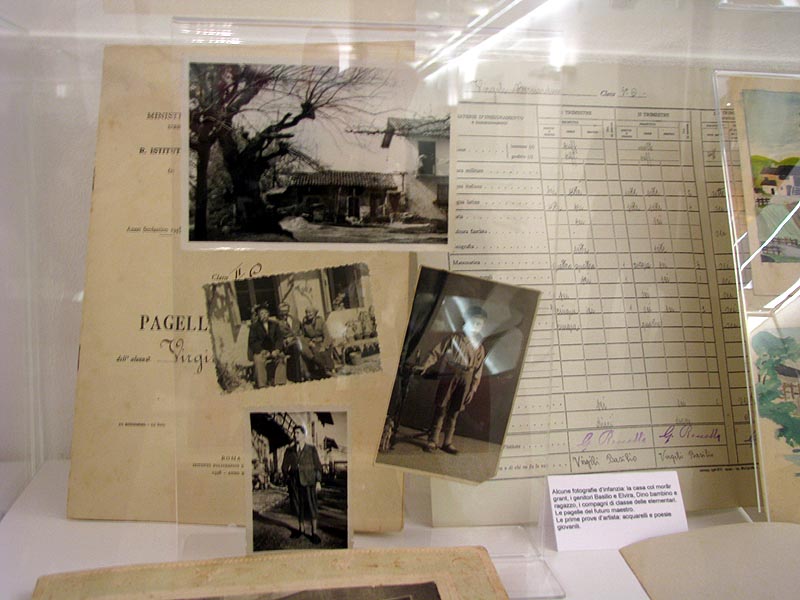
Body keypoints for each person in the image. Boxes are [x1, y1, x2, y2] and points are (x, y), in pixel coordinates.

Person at [416, 305, 487, 455]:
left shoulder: (479, 348)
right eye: (473, 322)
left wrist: (473, 389)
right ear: (465, 321)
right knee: (441, 408)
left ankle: (447, 442)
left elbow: (478, 371)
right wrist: (424, 365)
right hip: (450, 374)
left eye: (479, 324)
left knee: (454, 411)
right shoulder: (454, 338)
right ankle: (433, 440)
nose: (475, 326)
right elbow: (436, 352)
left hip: (466, 378)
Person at [280, 425, 323, 544]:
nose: (295, 435)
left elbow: (318, 466)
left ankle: (314, 533)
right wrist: (288, 478)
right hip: (295, 484)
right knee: (298, 507)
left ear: (304, 435)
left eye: (298, 433)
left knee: (312, 507)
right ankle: (301, 529)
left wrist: (318, 481)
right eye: (294, 433)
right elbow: (284, 467)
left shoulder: (311, 449)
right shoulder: (289, 450)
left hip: (309, 482)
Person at [273, 302, 311, 383]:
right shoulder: (277, 323)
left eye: (286, 311)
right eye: (282, 312)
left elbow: (302, 331)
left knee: (300, 348)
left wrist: (300, 337)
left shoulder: (295, 320)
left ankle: (306, 373)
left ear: (288, 310)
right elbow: (277, 338)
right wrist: (285, 340)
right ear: (279, 312)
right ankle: (300, 376)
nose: (284, 313)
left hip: (299, 341)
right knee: (296, 347)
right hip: (287, 345)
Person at [247, 304, 280, 388]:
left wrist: (277, 350)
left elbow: (279, 339)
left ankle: (279, 382)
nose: (264, 315)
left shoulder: (274, 324)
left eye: (265, 313)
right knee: (258, 360)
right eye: (261, 313)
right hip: (261, 351)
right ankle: (262, 385)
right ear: (258, 315)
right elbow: (252, 342)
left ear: (269, 314)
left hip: (273, 350)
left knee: (282, 357)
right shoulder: (254, 327)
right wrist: (262, 351)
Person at [301, 307, 335, 378]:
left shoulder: (320, 321)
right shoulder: (305, 324)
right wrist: (309, 342)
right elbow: (304, 336)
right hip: (313, 342)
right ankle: (324, 370)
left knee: (324, 351)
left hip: (323, 341)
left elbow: (326, 335)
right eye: (307, 313)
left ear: (314, 313)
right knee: (314, 351)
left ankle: (330, 368)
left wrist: (324, 345)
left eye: (310, 312)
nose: (308, 314)